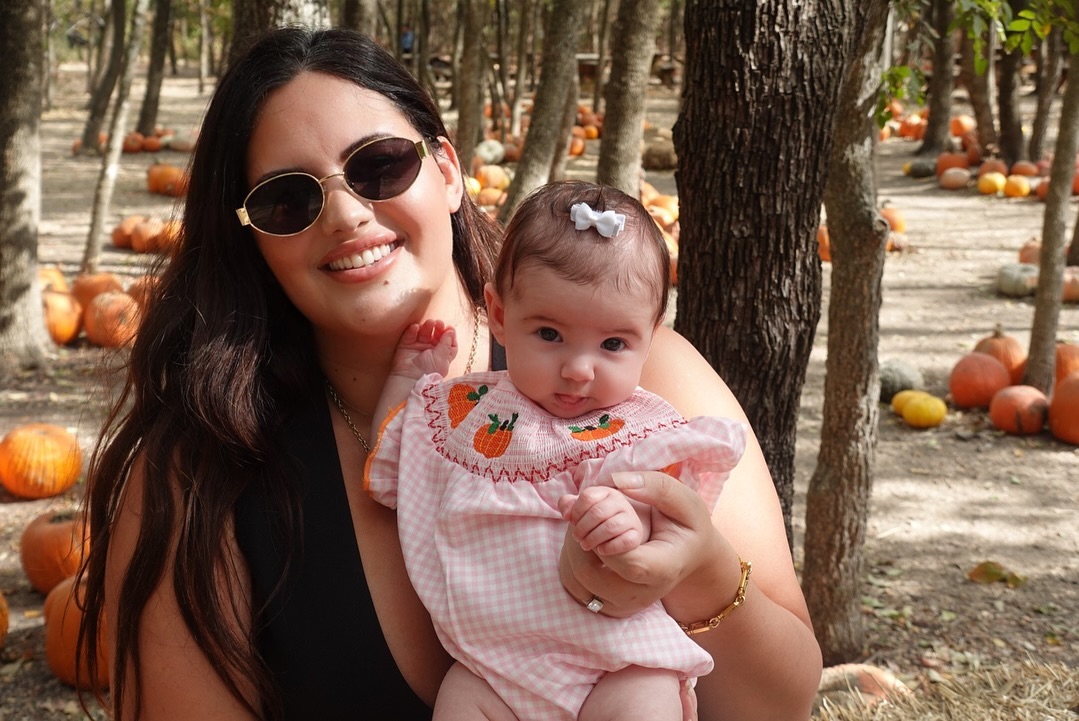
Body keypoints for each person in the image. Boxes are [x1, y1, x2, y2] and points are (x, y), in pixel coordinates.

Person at [76, 26, 822, 721]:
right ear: (253, 239)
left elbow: (782, 704)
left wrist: (699, 571)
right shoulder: (198, 479)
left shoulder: (646, 376)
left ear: (447, 171)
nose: (345, 215)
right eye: (287, 199)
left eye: (378, 165)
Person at [367, 180, 748, 720]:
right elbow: (393, 464)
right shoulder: (463, 413)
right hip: (490, 668)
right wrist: (407, 379)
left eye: (613, 344)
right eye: (549, 334)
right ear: (500, 315)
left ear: (650, 336)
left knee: (645, 699)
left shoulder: (639, 429)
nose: (578, 368)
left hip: (618, 658)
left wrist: (629, 525)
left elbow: (670, 534)